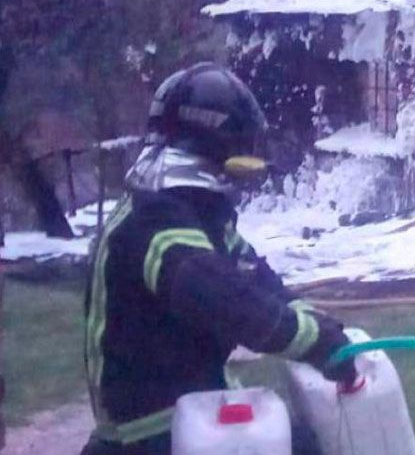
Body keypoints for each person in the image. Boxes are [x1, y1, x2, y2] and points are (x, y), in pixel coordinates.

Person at [82, 63, 357, 455]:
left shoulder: (197, 215)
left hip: (193, 411)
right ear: (219, 144)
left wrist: (315, 323)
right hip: (150, 433)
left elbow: (257, 280)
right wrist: (314, 343)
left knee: (304, 443)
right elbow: (221, 298)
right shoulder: (158, 219)